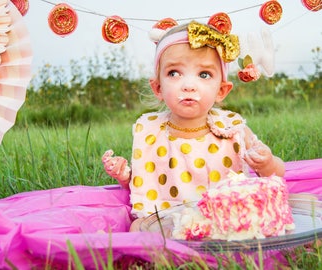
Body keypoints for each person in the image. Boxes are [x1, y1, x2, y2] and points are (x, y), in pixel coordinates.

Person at [102, 20, 285, 231]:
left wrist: (267, 162)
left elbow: (276, 174)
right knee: (139, 227)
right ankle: (171, 253)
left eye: (204, 75)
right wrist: (125, 176)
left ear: (221, 91)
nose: (188, 85)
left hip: (224, 219)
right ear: (158, 87)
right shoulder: (151, 130)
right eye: (174, 73)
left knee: (273, 211)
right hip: (168, 220)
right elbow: (145, 180)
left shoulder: (232, 128)